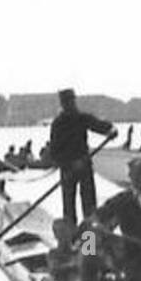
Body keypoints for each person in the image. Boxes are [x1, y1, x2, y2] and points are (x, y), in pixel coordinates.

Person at [50, 88, 117, 223]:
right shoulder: (58, 124)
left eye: (71, 101)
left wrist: (112, 130)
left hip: (84, 166)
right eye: (66, 102)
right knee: (69, 209)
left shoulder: (81, 118)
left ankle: (89, 243)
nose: (69, 104)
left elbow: (101, 126)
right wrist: (69, 164)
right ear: (62, 104)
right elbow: (55, 152)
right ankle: (72, 239)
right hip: (68, 170)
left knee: (89, 209)